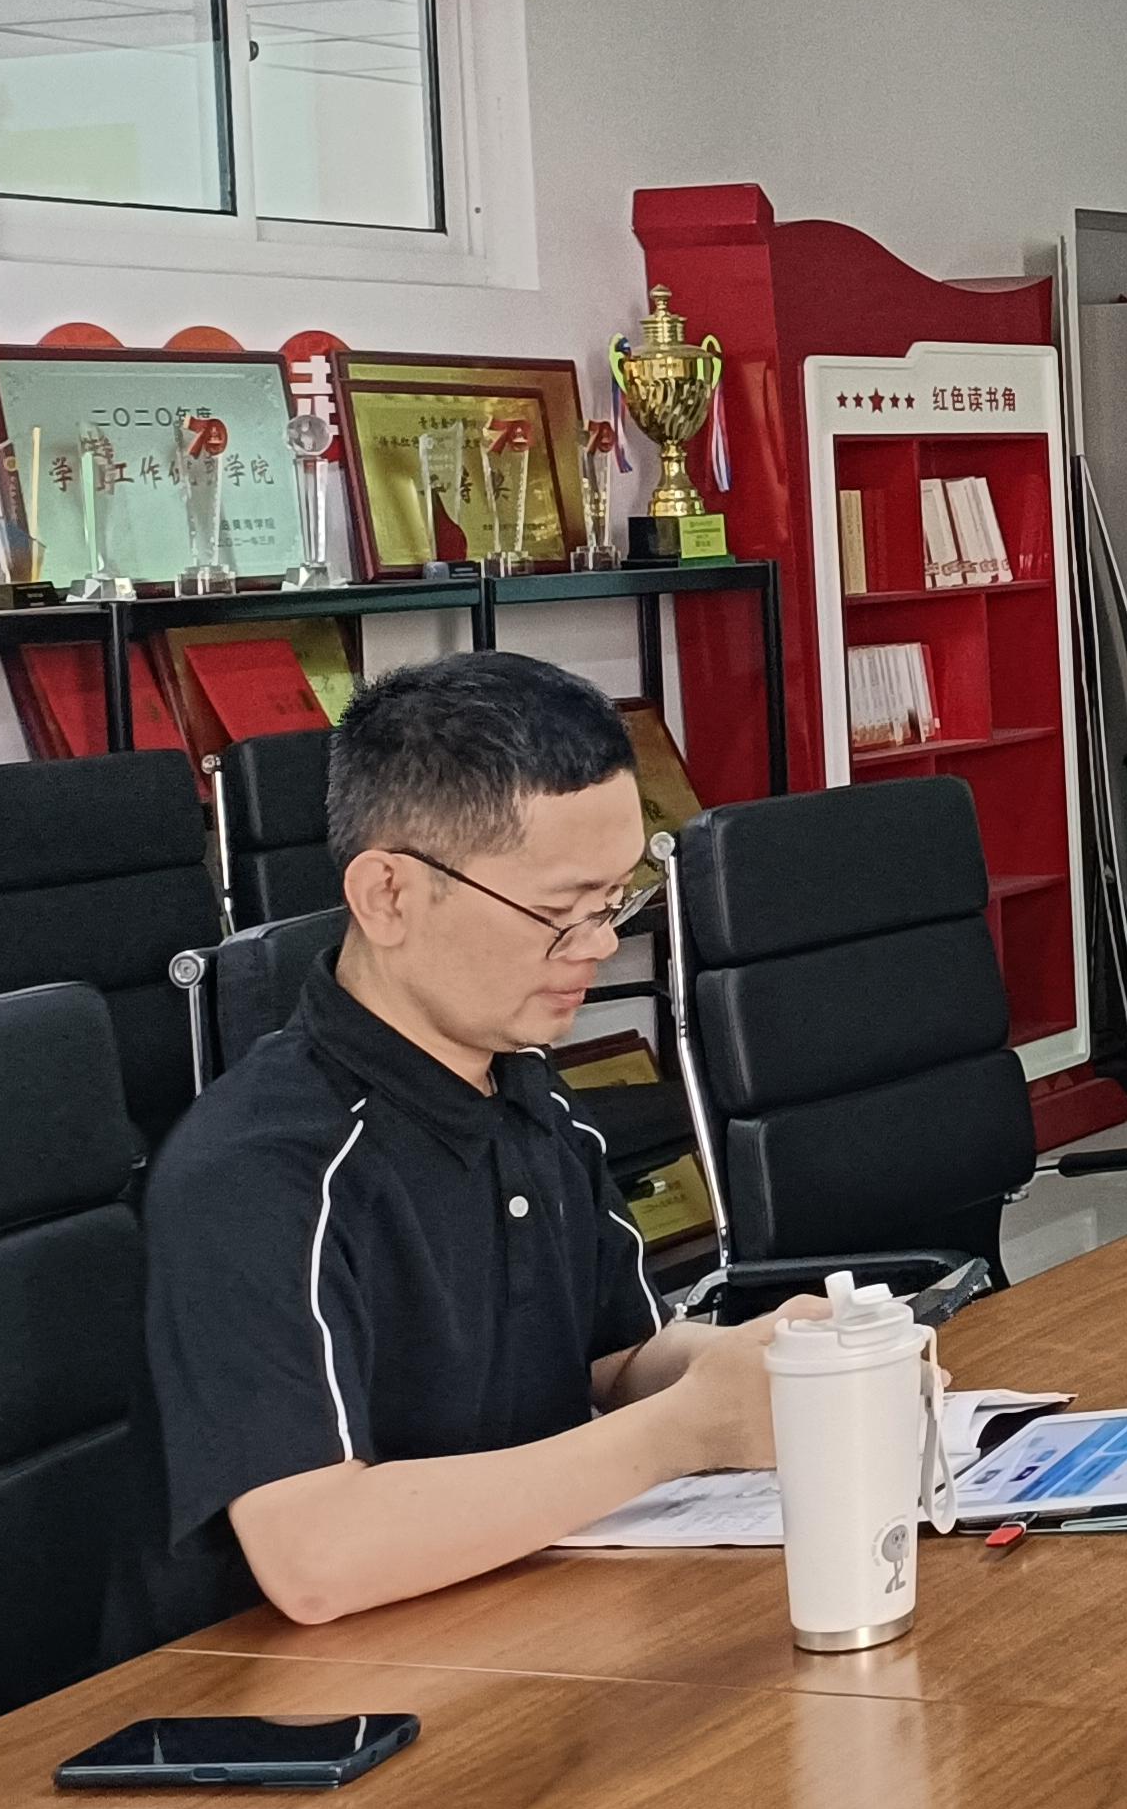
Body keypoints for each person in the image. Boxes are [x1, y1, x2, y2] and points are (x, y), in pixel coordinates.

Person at [135, 653, 788, 1633]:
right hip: (294, 1688)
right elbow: (314, 1555)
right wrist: (679, 1433)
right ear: (388, 896)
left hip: (509, 1620)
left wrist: (767, 1371)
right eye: (558, 913)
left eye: (613, 902)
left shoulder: (526, 1090)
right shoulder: (259, 1172)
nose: (599, 945)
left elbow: (613, 1360)